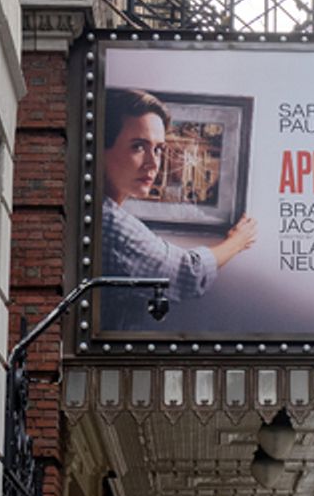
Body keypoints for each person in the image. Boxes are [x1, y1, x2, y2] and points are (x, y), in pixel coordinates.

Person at [100, 89, 257, 329]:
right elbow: (186, 274)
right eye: (138, 147)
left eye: (159, 149)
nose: (154, 164)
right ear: (100, 148)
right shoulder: (108, 221)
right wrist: (237, 241)